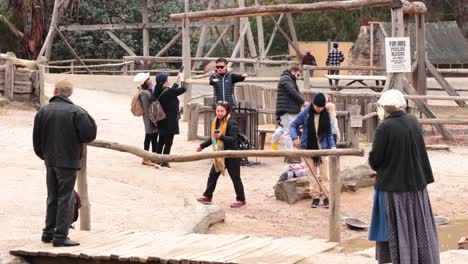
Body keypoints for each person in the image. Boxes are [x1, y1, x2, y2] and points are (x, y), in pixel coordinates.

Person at [368, 90, 439, 264]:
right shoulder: (413, 121)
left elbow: (375, 159)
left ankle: (404, 259)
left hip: (394, 188)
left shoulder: (384, 127)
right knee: (417, 224)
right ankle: (420, 258)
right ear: (401, 105)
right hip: (416, 185)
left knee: (397, 227)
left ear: (385, 107)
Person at [33, 79, 97, 247]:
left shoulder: (43, 111)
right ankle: (60, 236)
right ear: (70, 93)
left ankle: (48, 232)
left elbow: (36, 141)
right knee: (65, 197)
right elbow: (89, 135)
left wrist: (46, 156)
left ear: (55, 91)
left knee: (52, 196)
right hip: (68, 161)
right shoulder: (77, 112)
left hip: (50, 160)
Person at [196, 102, 246, 208]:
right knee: (213, 175)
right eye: (217, 111)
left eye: (221, 111)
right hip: (220, 154)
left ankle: (241, 199)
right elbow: (213, 137)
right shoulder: (216, 121)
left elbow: (233, 139)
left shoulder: (232, 122)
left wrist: (221, 136)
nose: (219, 113)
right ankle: (207, 196)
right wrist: (202, 146)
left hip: (232, 154)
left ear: (227, 111)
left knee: (235, 177)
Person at [290, 93, 335, 208]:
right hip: (308, 147)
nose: (319, 109)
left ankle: (326, 196)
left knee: (325, 175)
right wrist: (295, 137)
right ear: (313, 104)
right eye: (317, 107)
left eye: (322, 107)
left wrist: (333, 146)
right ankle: (315, 196)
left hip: (323, 148)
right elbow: (293, 125)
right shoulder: (305, 112)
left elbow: (329, 133)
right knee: (312, 175)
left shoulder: (326, 114)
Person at [152, 72, 186, 168]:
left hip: (161, 119)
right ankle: (165, 161)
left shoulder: (158, 90)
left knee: (161, 140)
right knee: (168, 142)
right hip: (170, 120)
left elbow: (171, 91)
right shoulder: (168, 92)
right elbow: (183, 89)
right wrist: (183, 79)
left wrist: (177, 81)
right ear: (164, 82)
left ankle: (158, 159)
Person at [275, 65, 309, 156]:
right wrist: (303, 102)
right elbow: (292, 92)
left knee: (291, 131)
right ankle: (290, 154)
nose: (298, 77)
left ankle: (291, 152)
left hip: (291, 110)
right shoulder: (286, 79)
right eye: (298, 75)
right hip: (287, 110)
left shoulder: (290, 79)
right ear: (293, 72)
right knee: (289, 132)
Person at [134, 72, 158, 166]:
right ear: (145, 82)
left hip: (152, 117)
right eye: (148, 79)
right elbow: (146, 108)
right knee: (149, 136)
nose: (150, 80)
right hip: (149, 118)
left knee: (154, 137)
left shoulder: (149, 90)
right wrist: (154, 120)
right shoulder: (144, 93)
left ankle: (154, 157)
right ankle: (145, 158)